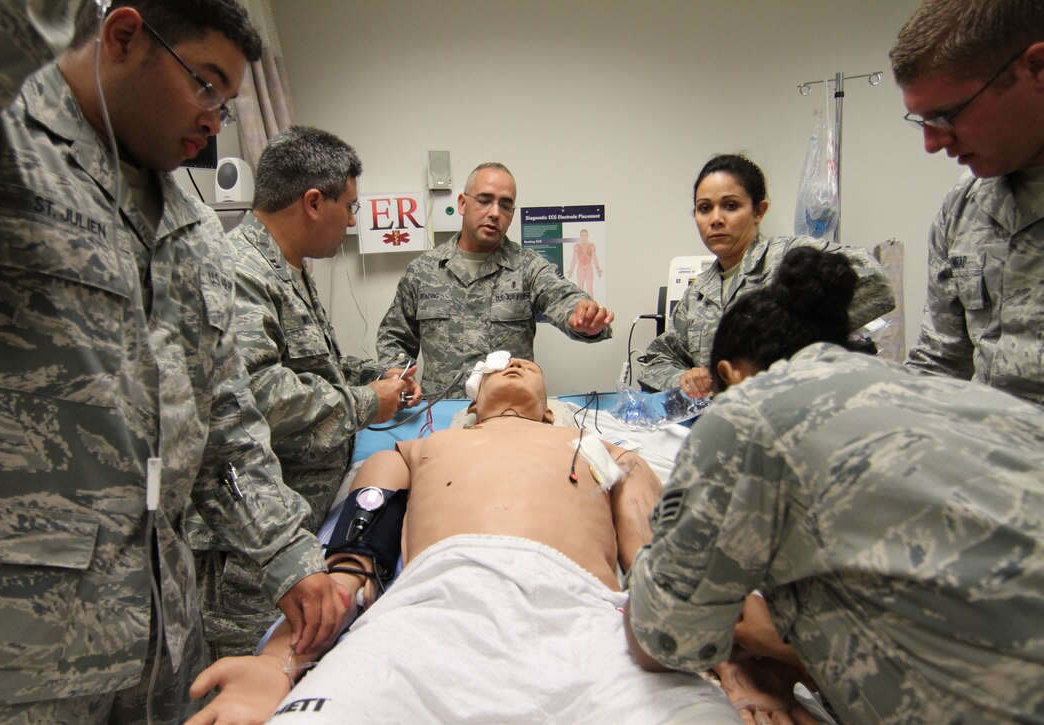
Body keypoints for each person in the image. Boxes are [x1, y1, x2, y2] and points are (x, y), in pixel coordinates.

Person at [0, 2, 332, 721]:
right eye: (205, 84)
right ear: (124, 36)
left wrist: (287, 552)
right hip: (11, 652)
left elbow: (225, 421)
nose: (215, 120)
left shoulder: (193, 229)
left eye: (228, 102)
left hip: (163, 635)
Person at [186, 356, 744, 724]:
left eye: (528, 365)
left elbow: (658, 569)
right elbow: (351, 567)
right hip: (426, 614)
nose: (514, 363)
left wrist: (731, 664)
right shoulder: (415, 451)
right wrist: (281, 661)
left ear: (551, 406)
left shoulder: (603, 450)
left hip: (585, 620)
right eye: (499, 368)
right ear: (471, 407)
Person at [626, 247, 1044, 723]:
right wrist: (795, 652)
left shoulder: (748, 413)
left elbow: (661, 638)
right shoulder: (976, 401)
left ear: (729, 375)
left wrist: (763, 633)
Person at [188, 126, 423, 660]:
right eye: (350, 207)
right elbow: (256, 393)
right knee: (254, 675)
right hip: (252, 547)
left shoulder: (287, 269)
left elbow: (315, 367)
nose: (353, 221)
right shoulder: (240, 271)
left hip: (300, 521)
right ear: (314, 203)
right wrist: (369, 402)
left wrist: (379, 374)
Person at [637, 154, 895, 397]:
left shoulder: (790, 258)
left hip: (798, 409)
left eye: (730, 206)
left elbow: (876, 283)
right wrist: (686, 379)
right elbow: (657, 360)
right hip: (727, 417)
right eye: (704, 208)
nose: (715, 219)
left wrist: (797, 337)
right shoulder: (697, 295)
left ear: (758, 211)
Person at [890, 0, 1044, 407]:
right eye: (923, 122)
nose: (932, 143)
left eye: (948, 114)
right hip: (987, 444)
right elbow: (940, 362)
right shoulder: (965, 206)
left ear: (1037, 69)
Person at [375, 162, 615, 398]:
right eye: (484, 200)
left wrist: (585, 316)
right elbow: (395, 336)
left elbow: (563, 297)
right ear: (462, 203)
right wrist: (398, 375)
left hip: (509, 408)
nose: (494, 213)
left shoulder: (528, 267)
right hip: (439, 409)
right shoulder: (423, 271)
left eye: (505, 205)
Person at [567, 228, 603, 295]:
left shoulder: (592, 245)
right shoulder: (577, 246)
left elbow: (594, 257)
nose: (584, 236)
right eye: (582, 235)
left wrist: (597, 268)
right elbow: (574, 259)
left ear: (588, 235)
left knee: (590, 288)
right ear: (580, 236)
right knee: (580, 288)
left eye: (585, 235)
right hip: (580, 268)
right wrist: (571, 270)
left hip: (589, 268)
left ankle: (591, 301)